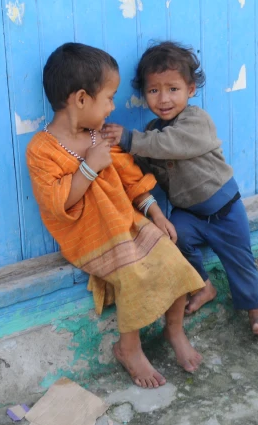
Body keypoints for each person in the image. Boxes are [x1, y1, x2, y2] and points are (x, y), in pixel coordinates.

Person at [26, 42, 205, 388]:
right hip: (92, 236)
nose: (112, 107)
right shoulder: (42, 149)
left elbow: (130, 179)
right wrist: (89, 168)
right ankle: (129, 348)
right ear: (81, 100)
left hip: (127, 223)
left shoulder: (100, 135)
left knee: (175, 260)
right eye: (108, 98)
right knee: (133, 276)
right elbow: (57, 203)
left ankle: (175, 329)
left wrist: (156, 214)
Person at [102, 41, 258, 336]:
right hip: (188, 214)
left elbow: (172, 144)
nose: (163, 98)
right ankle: (204, 286)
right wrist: (118, 156)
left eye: (173, 89)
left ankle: (256, 310)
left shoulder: (196, 121)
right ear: (144, 94)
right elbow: (143, 161)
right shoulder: (153, 131)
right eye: (154, 90)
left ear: (191, 89)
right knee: (175, 239)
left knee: (240, 259)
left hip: (225, 209)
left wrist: (130, 139)